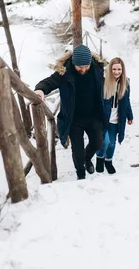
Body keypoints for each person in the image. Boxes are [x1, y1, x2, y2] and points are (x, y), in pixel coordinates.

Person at [34, 45, 105, 180]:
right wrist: (40, 89)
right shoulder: (64, 73)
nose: (83, 70)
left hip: (93, 116)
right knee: (77, 151)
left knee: (97, 143)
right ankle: (81, 174)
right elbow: (48, 82)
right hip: (73, 119)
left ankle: (87, 158)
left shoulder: (97, 69)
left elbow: (110, 81)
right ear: (73, 63)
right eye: (80, 67)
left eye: (86, 66)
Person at [96, 57, 133, 174]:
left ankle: (108, 161)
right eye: (114, 69)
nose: (116, 72)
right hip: (104, 118)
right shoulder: (103, 82)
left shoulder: (125, 83)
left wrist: (130, 116)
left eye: (119, 69)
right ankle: (100, 158)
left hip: (117, 119)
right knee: (104, 141)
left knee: (112, 143)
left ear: (122, 70)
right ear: (110, 69)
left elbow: (127, 101)